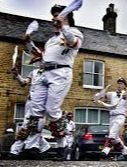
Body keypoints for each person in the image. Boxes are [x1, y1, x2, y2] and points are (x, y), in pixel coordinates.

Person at [13, 4, 84, 159]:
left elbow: (73, 43)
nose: (53, 19)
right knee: (35, 112)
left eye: (57, 15)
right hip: (44, 73)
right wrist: (28, 41)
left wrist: (63, 26)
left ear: (66, 17)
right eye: (53, 16)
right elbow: (41, 55)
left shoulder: (74, 32)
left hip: (61, 73)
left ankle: (62, 146)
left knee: (52, 111)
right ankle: (32, 147)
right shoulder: (51, 40)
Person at [8, 68, 50, 159]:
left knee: (31, 126)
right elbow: (24, 83)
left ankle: (17, 150)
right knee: (28, 125)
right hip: (30, 102)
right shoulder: (34, 72)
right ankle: (43, 147)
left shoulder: (52, 72)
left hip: (41, 103)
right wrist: (17, 75)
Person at [94, 77, 127, 160]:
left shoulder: (126, 94)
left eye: (121, 83)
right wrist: (100, 94)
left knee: (112, 133)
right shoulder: (112, 94)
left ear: (124, 86)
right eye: (118, 83)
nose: (119, 85)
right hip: (112, 117)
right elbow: (101, 96)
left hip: (120, 117)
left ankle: (105, 150)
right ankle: (126, 151)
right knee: (115, 138)